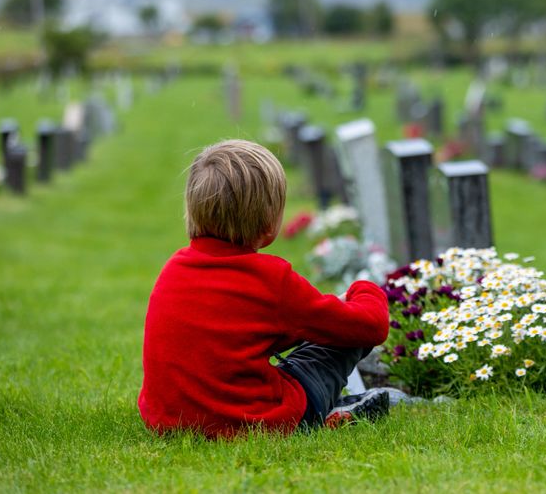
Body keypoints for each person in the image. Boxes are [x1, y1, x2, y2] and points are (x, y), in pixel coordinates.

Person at [138, 139, 390, 438]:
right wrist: (364, 290)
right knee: (331, 343)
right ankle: (324, 415)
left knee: (313, 335)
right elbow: (371, 327)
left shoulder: (174, 270)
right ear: (269, 222)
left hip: (169, 421)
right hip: (256, 420)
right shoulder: (269, 279)